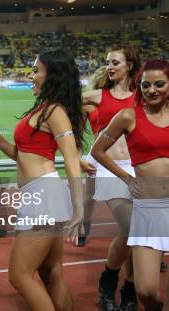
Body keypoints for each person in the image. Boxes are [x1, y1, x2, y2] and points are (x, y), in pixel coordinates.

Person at [0, 49, 85, 310]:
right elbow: (24, 156)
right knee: (51, 274)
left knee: (19, 275)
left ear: (51, 76)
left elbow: (72, 159)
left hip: (43, 197)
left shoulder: (54, 111)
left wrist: (79, 208)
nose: (31, 75)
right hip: (40, 196)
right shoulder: (44, 109)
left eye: (36, 70)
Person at [91, 59, 169, 311]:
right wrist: (127, 178)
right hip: (148, 209)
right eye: (146, 85)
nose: (152, 90)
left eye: (160, 84)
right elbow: (98, 150)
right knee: (146, 292)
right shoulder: (128, 116)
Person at [84, 46, 141, 311]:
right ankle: (107, 282)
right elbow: (59, 109)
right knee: (131, 227)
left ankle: (129, 292)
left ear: (129, 65)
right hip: (107, 165)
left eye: (115, 62)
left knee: (139, 232)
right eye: (107, 62)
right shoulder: (97, 96)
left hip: (139, 167)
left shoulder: (144, 97)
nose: (109, 66)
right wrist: (73, 153)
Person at [77, 66, 106, 247]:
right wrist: (77, 157)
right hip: (97, 156)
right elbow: (76, 134)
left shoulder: (127, 99)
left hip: (126, 157)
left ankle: (147, 244)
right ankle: (83, 227)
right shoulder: (87, 103)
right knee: (89, 198)